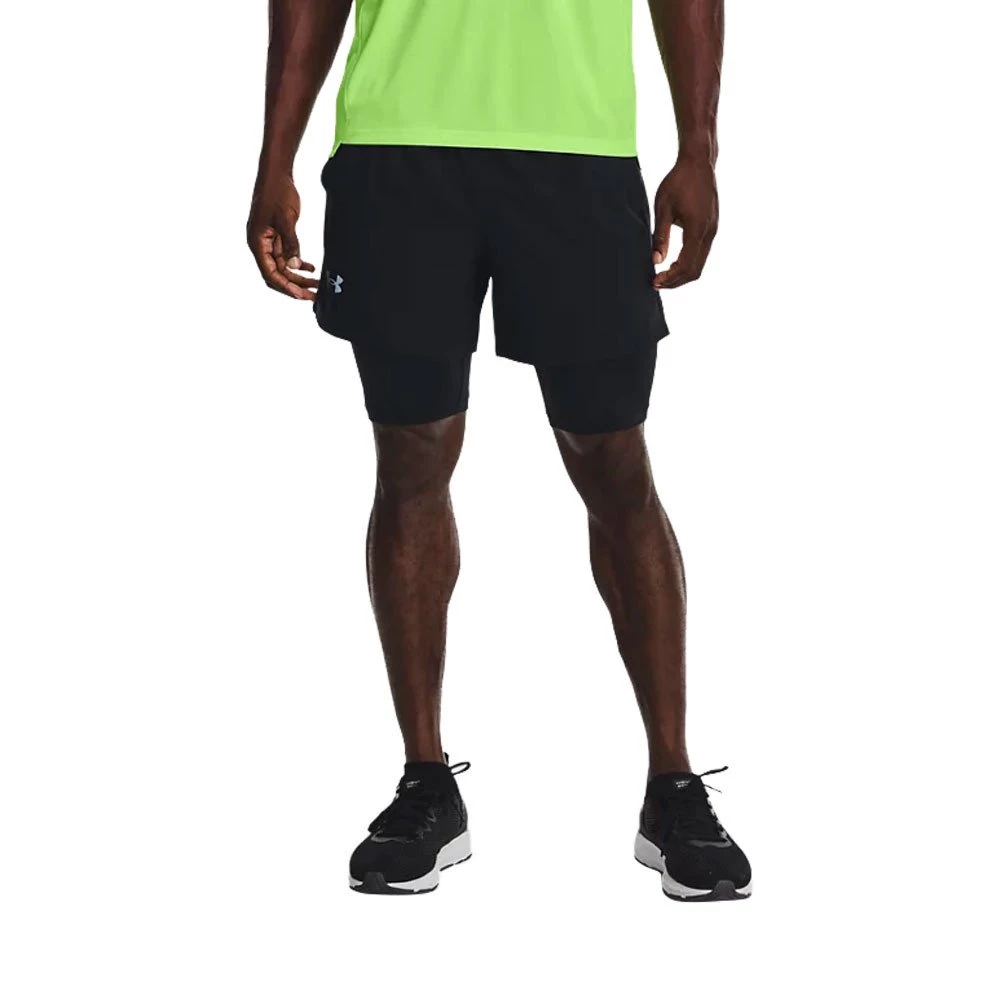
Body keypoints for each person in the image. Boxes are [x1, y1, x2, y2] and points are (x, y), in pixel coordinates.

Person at [247, 0, 751, 902]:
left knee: (612, 460)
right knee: (411, 455)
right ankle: (425, 782)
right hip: (398, 143)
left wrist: (699, 148)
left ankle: (673, 786)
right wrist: (274, 155)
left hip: (577, 146)